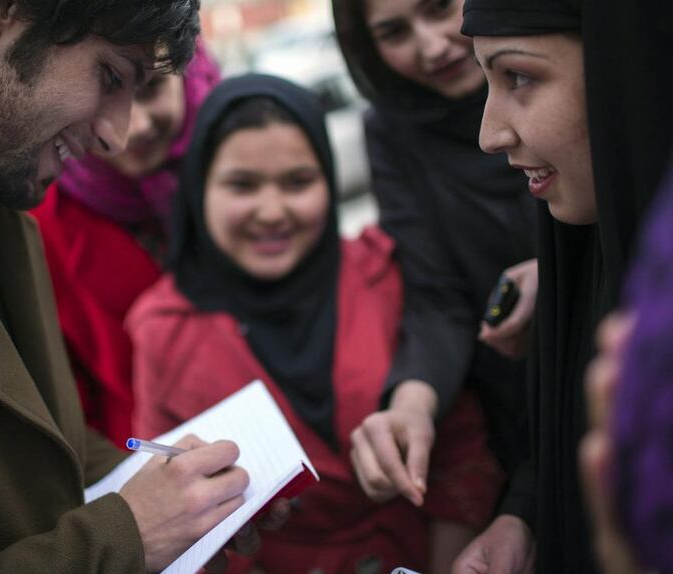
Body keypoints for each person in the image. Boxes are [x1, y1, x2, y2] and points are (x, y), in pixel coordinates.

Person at [0, 2, 287, 572]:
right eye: (110, 75)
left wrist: (179, 494)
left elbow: (40, 459)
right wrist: (124, 538)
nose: (118, 135)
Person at [127, 73, 504, 574]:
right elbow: (180, 518)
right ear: (199, 190)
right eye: (242, 184)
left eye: (298, 181)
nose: (272, 211)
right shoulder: (161, 329)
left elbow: (460, 456)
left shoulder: (385, 272)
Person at [457, 0, 673, 571]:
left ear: (629, 70)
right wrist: (526, 517)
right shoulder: (585, 244)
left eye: (519, 76)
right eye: (486, 79)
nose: (489, 134)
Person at [332, 0, 535, 536]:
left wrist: (562, 272)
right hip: (522, 411)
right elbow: (435, 296)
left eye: (440, 8)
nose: (431, 46)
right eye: (395, 32)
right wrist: (411, 405)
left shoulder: (569, 66)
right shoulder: (392, 132)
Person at [31, 39, 220, 446]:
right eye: (104, 97)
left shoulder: (237, 167)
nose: (132, 127)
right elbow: (68, 398)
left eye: (151, 90)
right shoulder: (45, 223)